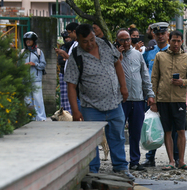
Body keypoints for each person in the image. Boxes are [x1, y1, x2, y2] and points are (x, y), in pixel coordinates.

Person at [65, 24, 134, 181]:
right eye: (85, 42)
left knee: (117, 137)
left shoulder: (105, 44)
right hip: (91, 107)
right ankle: (93, 171)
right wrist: (75, 111)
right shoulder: (76, 56)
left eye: (91, 40)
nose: (89, 44)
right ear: (78, 39)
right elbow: (71, 85)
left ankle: (121, 168)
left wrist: (123, 87)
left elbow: (117, 63)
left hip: (114, 102)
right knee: (91, 142)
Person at [151, 31, 187, 170]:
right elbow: (154, 78)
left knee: (181, 130)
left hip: (179, 99)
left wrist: (182, 82)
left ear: (182, 41)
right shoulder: (160, 56)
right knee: (167, 131)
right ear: (168, 41)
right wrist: (153, 99)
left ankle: (181, 161)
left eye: (178, 41)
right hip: (163, 99)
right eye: (173, 41)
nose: (176, 44)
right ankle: (171, 161)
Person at [141, 22, 179, 167]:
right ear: (153, 35)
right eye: (157, 34)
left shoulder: (174, 51)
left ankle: (175, 158)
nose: (161, 37)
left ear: (168, 35)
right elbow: (144, 73)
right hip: (152, 95)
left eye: (163, 34)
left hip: (170, 95)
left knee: (174, 128)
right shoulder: (149, 52)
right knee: (152, 126)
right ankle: (150, 157)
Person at [117, 29, 156, 171]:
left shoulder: (137, 55)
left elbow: (145, 76)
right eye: (122, 40)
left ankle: (134, 161)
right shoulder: (114, 56)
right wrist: (118, 57)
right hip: (121, 100)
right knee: (119, 132)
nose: (126, 42)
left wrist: (150, 94)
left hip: (138, 99)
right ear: (117, 41)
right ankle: (120, 162)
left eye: (128, 39)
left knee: (136, 132)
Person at [21, 31, 47, 121]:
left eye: (30, 40)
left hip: (36, 79)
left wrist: (34, 64)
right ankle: (30, 118)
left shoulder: (39, 52)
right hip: (25, 79)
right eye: (26, 40)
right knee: (27, 99)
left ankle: (41, 118)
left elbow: (43, 64)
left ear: (34, 41)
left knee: (38, 98)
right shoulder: (22, 52)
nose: (28, 41)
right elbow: (18, 65)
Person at [55, 22, 79, 112]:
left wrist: (64, 54)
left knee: (76, 100)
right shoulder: (74, 44)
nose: (68, 35)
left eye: (69, 33)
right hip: (69, 76)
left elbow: (76, 60)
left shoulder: (78, 44)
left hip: (74, 77)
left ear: (74, 31)